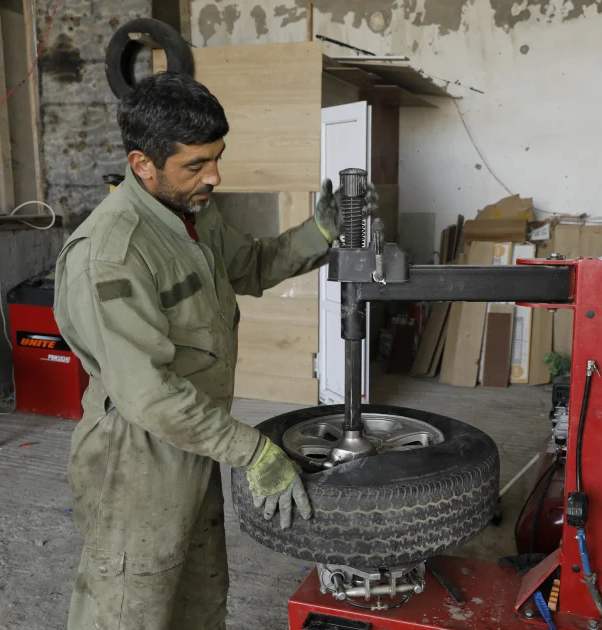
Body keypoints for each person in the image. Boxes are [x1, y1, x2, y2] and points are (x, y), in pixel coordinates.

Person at [52, 71, 376, 630]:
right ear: (141, 164)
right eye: (196, 165)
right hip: (135, 458)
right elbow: (146, 394)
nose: (215, 176)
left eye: (216, 158)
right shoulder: (111, 254)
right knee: (131, 605)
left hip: (196, 439)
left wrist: (319, 233)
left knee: (198, 595)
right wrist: (251, 451)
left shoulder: (192, 217)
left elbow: (249, 266)